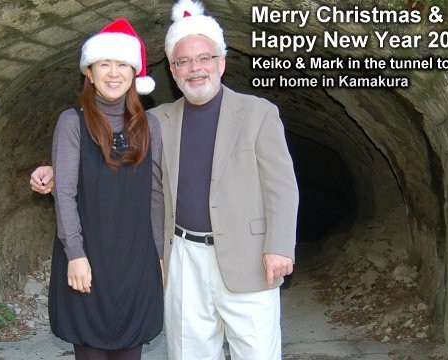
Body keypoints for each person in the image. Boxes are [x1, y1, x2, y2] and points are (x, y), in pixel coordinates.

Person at [31, 1, 299, 358]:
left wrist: (279, 245)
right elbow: (106, 155)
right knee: (190, 351)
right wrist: (53, 169)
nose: (195, 68)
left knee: (257, 352)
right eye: (183, 61)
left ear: (221, 62)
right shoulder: (158, 121)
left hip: (246, 258)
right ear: (172, 71)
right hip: (184, 256)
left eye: (204, 58)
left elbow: (281, 185)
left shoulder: (258, 113)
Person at [41, 17, 164, 360]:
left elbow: (155, 194)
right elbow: (63, 193)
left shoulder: (150, 125)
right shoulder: (73, 122)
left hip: (136, 264)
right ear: (90, 73)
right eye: (104, 64)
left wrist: (159, 257)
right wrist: (75, 254)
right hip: (89, 260)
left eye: (122, 64)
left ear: (134, 73)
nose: (113, 73)